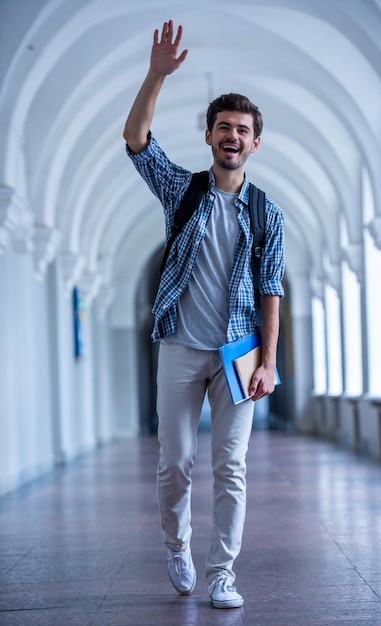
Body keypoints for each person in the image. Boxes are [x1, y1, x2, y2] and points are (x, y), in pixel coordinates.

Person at [123, 20, 285, 609]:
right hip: (180, 346)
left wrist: (268, 360)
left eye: (243, 130)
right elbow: (137, 139)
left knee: (232, 466)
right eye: (224, 128)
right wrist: (156, 75)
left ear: (254, 143)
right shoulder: (183, 193)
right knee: (176, 464)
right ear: (211, 137)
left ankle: (223, 571)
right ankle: (177, 544)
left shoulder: (268, 213)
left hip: (238, 353)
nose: (233, 136)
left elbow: (271, 290)